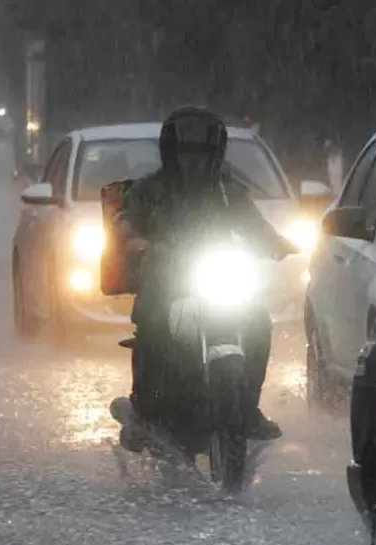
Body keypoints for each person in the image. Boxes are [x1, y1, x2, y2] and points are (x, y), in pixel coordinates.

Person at [112, 106, 296, 445]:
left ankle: (248, 408)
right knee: (153, 326)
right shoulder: (150, 189)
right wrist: (132, 238)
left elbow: (255, 225)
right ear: (172, 153)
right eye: (186, 152)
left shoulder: (229, 192)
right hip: (165, 284)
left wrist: (282, 243)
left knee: (256, 321)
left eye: (201, 152)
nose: (193, 160)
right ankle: (143, 409)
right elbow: (125, 218)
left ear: (215, 154)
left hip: (217, 280)